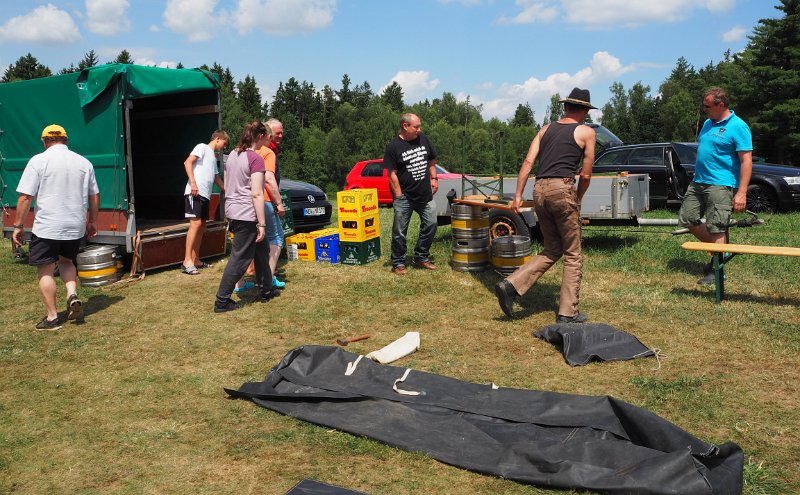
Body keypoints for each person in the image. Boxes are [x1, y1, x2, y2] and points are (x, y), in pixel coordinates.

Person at [494, 88, 597, 323]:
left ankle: (510, 285)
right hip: (562, 190)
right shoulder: (586, 132)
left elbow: (528, 161)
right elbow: (586, 175)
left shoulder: (545, 129)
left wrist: (518, 195)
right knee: (573, 254)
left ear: (565, 107)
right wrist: (578, 198)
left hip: (539, 190)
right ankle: (568, 313)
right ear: (585, 111)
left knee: (552, 249)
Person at [12, 124, 100, 330]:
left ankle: (52, 318)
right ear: (66, 140)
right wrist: (93, 221)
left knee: (46, 269)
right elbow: (94, 194)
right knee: (67, 261)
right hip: (74, 225)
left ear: (44, 141)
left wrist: (18, 225)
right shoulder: (83, 162)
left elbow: (25, 197)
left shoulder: (38, 161)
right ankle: (72, 294)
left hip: (47, 226)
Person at [678, 87, 753, 285]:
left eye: (707, 106)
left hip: (721, 184)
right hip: (698, 181)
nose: (704, 109)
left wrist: (742, 192)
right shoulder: (707, 123)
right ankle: (722, 251)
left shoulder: (738, 126)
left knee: (717, 227)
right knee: (687, 218)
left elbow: (746, 161)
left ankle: (716, 270)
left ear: (721, 105)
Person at [214, 121, 276, 313]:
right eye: (266, 137)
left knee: (261, 250)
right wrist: (262, 224)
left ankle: (266, 290)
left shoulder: (233, 154)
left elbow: (227, 184)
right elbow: (256, 194)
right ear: (260, 136)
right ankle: (221, 301)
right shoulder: (255, 159)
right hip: (246, 214)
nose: (267, 141)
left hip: (234, 211)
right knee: (240, 258)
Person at [384, 113, 439, 275]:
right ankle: (398, 262)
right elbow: (392, 174)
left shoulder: (423, 139)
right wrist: (399, 195)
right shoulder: (393, 147)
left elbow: (431, 159)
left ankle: (421, 256)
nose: (419, 129)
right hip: (404, 197)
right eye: (416, 127)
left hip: (424, 194)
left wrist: (434, 178)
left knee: (431, 224)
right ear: (405, 126)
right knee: (399, 231)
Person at [181, 130, 228, 275]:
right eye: (224, 143)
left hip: (205, 195)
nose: (224, 147)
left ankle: (196, 260)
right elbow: (187, 162)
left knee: (201, 226)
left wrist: (227, 190)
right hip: (194, 192)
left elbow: (215, 178)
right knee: (195, 224)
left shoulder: (213, 157)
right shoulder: (202, 147)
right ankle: (187, 261)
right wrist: (193, 183)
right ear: (218, 138)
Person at [260, 119, 287, 288]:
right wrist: (279, 203)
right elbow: (268, 179)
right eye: (278, 133)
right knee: (276, 237)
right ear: (268, 135)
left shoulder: (244, 151)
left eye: (282, 132)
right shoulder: (267, 151)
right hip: (266, 199)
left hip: (256, 199)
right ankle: (267, 279)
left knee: (256, 237)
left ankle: (256, 274)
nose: (281, 136)